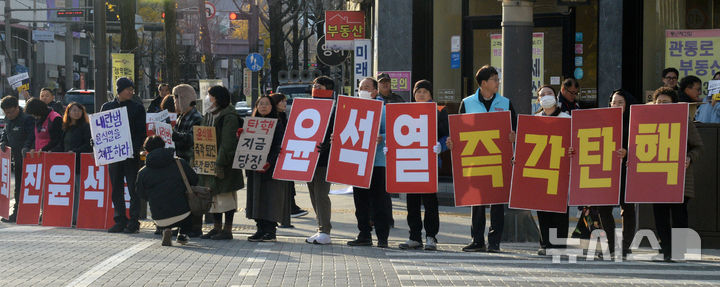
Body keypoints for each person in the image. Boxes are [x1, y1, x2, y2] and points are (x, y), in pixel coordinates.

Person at [446, 65, 517, 253]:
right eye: (495, 79)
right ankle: (477, 241)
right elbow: (459, 130)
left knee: (497, 202)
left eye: (498, 79)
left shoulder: (506, 102)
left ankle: (494, 242)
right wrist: (452, 143)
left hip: (498, 159)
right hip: (475, 159)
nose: (498, 82)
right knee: (476, 202)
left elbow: (516, 128)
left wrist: (514, 136)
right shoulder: (467, 103)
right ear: (484, 83)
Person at [651, 87, 703, 262]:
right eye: (658, 102)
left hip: (680, 177)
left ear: (674, 103)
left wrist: (689, 157)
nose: (662, 105)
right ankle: (666, 250)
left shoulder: (684, 120)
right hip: (657, 177)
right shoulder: (647, 121)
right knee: (660, 215)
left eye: (666, 102)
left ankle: (678, 251)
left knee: (679, 215)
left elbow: (698, 146)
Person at [398, 80, 447, 251]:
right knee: (411, 201)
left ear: (431, 95)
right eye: (418, 91)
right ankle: (414, 237)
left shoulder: (439, 111)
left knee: (430, 202)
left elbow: (447, 136)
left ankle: (431, 236)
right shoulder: (405, 111)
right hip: (410, 162)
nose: (421, 94)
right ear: (413, 94)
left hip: (429, 163)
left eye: (425, 91)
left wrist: (441, 146)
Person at [587, 89, 636, 258]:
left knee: (627, 208)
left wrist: (628, 152)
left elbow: (644, 145)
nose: (615, 106)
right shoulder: (600, 121)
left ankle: (626, 245)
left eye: (620, 103)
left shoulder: (634, 122)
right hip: (605, 170)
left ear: (627, 105)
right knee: (603, 208)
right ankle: (612, 244)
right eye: (613, 102)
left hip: (626, 171)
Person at [347, 77, 393, 248]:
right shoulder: (352, 108)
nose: (363, 90)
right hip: (358, 160)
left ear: (375, 91)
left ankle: (382, 237)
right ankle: (364, 234)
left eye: (367, 87)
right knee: (360, 201)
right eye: (361, 87)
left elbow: (391, 132)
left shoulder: (383, 110)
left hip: (378, 162)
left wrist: (383, 138)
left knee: (379, 200)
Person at [101, 77, 147, 233]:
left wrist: (132, 148)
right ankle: (120, 220)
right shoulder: (107, 107)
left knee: (133, 188)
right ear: (119, 90)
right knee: (116, 188)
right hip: (113, 155)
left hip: (130, 154)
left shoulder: (137, 108)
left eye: (132, 89)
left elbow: (141, 132)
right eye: (128, 89)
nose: (130, 92)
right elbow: (100, 130)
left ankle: (134, 221)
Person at [199, 86, 244, 240]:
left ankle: (228, 229)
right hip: (210, 161)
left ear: (217, 98)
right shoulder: (209, 114)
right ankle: (216, 228)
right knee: (213, 198)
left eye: (209, 96)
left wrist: (220, 163)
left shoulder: (229, 116)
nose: (207, 99)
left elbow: (228, 143)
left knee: (226, 198)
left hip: (225, 164)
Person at [136, 135, 198, 246]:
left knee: (163, 207)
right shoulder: (180, 163)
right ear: (164, 146)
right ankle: (183, 234)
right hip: (183, 214)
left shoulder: (143, 172)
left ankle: (165, 229)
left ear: (146, 151)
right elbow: (194, 179)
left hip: (159, 218)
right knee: (191, 205)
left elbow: (141, 193)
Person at [245, 95, 288, 242]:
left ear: (272, 107)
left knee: (269, 199)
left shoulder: (277, 123)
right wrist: (241, 137)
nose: (263, 106)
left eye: (267, 104)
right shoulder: (251, 123)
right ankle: (260, 228)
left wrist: (269, 162)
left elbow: (279, 146)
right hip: (254, 166)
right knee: (255, 197)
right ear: (256, 106)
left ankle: (270, 231)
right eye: (260, 104)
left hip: (270, 169)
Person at [533, 86, 571, 256]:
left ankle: (559, 244)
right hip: (541, 171)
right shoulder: (534, 120)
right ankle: (545, 244)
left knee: (560, 209)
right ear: (538, 100)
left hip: (561, 170)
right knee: (542, 208)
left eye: (549, 93)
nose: (546, 97)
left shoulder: (567, 118)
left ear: (555, 97)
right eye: (542, 95)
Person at [304, 76, 336, 244]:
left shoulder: (335, 109)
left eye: (320, 86)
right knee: (313, 193)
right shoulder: (306, 107)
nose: (316, 88)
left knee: (321, 194)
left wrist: (329, 145)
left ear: (329, 90)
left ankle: (325, 230)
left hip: (324, 159)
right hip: (308, 157)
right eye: (314, 85)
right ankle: (320, 228)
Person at [170, 84, 204, 237]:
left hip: (191, 162)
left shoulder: (196, 117)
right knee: (182, 195)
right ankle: (185, 226)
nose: (174, 103)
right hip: (180, 160)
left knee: (192, 194)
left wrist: (175, 135)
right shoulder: (181, 116)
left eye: (176, 98)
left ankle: (194, 227)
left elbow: (194, 139)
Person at [269, 93, 308, 225]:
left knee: (288, 181)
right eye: (281, 101)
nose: (284, 104)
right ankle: (288, 209)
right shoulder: (273, 117)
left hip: (285, 154)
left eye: (285, 101)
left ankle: (291, 207)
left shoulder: (283, 116)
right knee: (281, 183)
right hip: (276, 155)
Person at [0, 96, 35, 223]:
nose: (8, 115)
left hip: (28, 158)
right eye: (6, 112)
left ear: (17, 108)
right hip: (15, 158)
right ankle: (16, 212)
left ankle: (31, 212)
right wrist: (3, 142)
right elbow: (5, 132)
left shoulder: (27, 119)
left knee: (28, 187)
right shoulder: (8, 119)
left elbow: (32, 136)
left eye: (10, 112)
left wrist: (26, 147)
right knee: (18, 186)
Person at [59, 102, 92, 225]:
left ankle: (76, 218)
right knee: (69, 191)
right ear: (68, 112)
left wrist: (75, 152)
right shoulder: (65, 127)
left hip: (79, 163)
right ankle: (68, 216)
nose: (76, 112)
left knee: (78, 191)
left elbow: (88, 145)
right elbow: (61, 144)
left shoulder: (85, 126)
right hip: (66, 165)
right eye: (73, 110)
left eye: (79, 110)